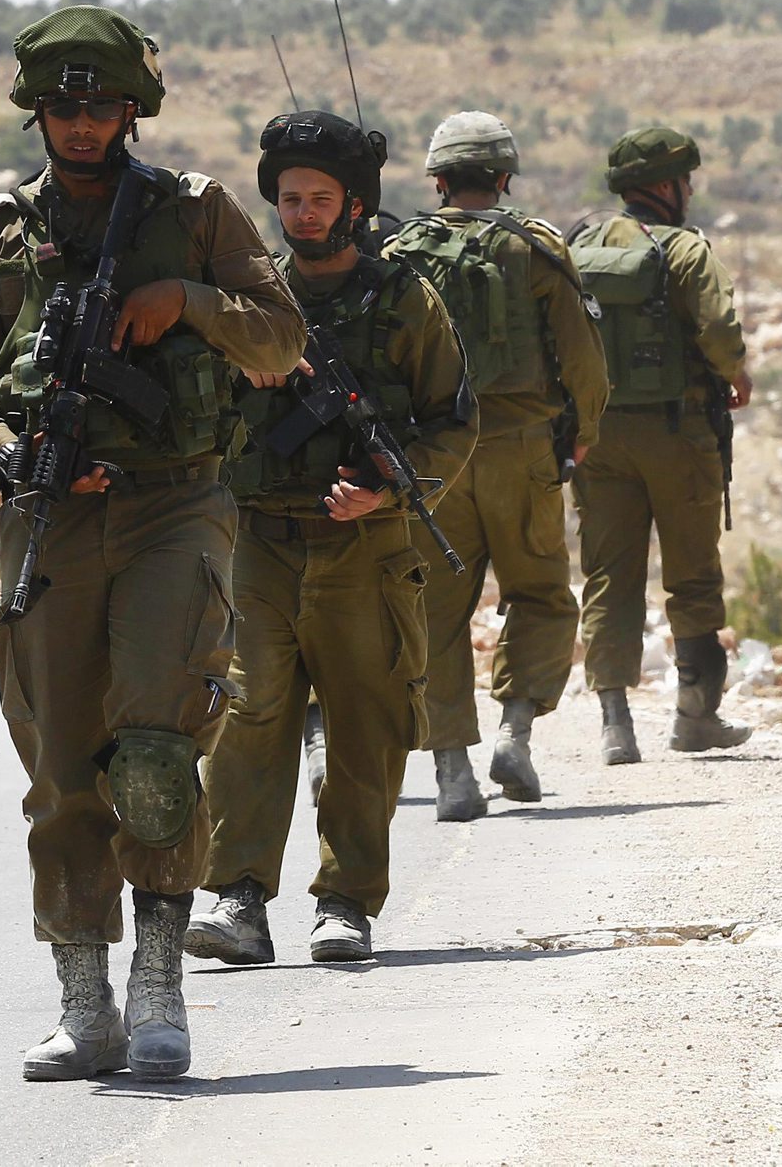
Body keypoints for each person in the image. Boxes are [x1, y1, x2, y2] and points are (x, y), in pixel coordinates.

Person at [0, 6, 304, 1082]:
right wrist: (11, 449)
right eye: (61, 107)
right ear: (36, 114)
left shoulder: (197, 213)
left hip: (174, 505)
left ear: (132, 109)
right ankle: (84, 1001)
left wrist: (187, 299)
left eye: (99, 106)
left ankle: (160, 984)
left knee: (156, 751)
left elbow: (281, 337)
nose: (80, 124)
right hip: (50, 518)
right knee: (61, 768)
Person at [186, 111, 476, 966]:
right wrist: (236, 358)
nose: (303, 214)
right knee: (248, 717)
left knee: (366, 726)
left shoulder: (405, 300)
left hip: (366, 549)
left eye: (319, 198)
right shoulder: (253, 302)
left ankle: (346, 902)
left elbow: (454, 423)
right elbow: (194, 402)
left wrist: (387, 489)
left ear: (355, 205)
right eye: (289, 199)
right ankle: (237, 897)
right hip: (258, 542)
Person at [383, 113, 609, 818]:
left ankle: (453, 773)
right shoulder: (534, 247)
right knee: (540, 593)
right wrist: (584, 433)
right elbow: (583, 359)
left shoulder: (400, 253)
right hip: (522, 449)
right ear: (504, 177)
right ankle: (515, 732)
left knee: (434, 610)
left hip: (431, 460)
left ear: (439, 180)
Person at [571, 126, 753, 758]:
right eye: (685, 181)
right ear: (668, 186)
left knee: (608, 575)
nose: (690, 191)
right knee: (693, 575)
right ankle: (694, 716)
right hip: (679, 433)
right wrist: (738, 375)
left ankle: (615, 725)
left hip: (598, 438)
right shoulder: (685, 249)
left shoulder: (581, 244)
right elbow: (719, 330)